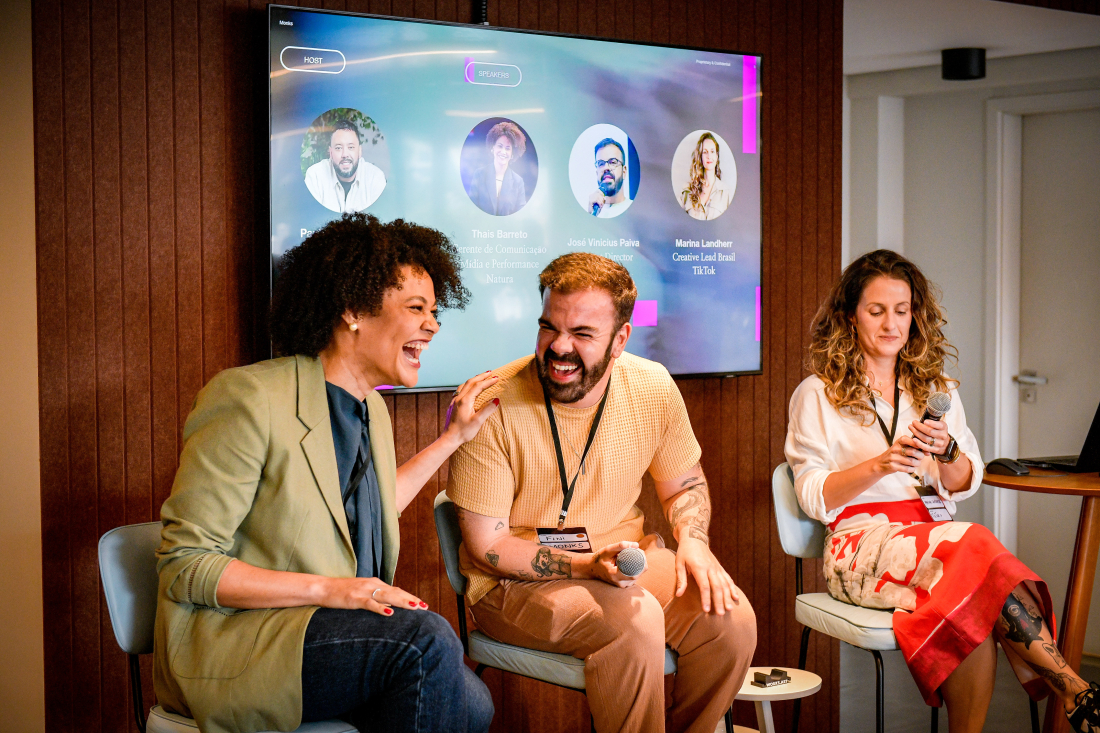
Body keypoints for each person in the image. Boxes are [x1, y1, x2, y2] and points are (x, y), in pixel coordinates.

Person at [154, 213, 496, 733]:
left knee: (475, 704)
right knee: (424, 643)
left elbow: (371, 506)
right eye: (416, 308)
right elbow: (185, 565)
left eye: (434, 311)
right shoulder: (250, 397)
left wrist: (452, 439)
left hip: (326, 632)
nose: (433, 325)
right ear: (353, 310)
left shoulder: (370, 408)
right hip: (244, 644)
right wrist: (332, 590)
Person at [784, 249, 1100, 733]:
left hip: (935, 541)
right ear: (850, 316)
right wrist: (879, 464)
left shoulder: (935, 387)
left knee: (970, 594)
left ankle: (1072, 696)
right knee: (973, 551)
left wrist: (947, 451)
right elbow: (811, 494)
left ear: (915, 315)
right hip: (856, 544)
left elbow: (965, 480)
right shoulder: (817, 393)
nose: (891, 324)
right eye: (876, 311)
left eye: (902, 310)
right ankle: (1075, 690)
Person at [447, 252, 756, 733]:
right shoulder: (492, 403)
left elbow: (685, 485)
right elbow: (488, 546)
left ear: (621, 339)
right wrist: (587, 566)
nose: (559, 347)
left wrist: (695, 543)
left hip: (624, 559)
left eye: (582, 334)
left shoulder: (652, 386)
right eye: (548, 327)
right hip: (513, 581)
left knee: (730, 620)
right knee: (635, 623)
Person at [304, 119, 387, 213]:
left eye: (351, 147)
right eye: (338, 148)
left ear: (360, 151)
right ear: (331, 153)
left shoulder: (375, 178)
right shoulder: (315, 176)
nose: (345, 154)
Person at [467, 120, 528, 216]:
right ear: (493, 148)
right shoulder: (479, 175)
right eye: (500, 146)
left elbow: (521, 215)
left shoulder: (518, 182)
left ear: (512, 153)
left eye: (507, 148)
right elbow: (471, 209)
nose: (503, 152)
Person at [680, 132, 731, 221]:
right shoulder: (687, 191)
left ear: (717, 156)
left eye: (712, 151)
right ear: (700, 156)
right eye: (705, 152)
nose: (709, 156)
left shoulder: (725, 193)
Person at [587, 137, 633, 218]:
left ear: (624, 171)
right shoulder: (591, 212)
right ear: (597, 173)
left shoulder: (637, 210)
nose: (606, 168)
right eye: (601, 164)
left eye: (613, 162)